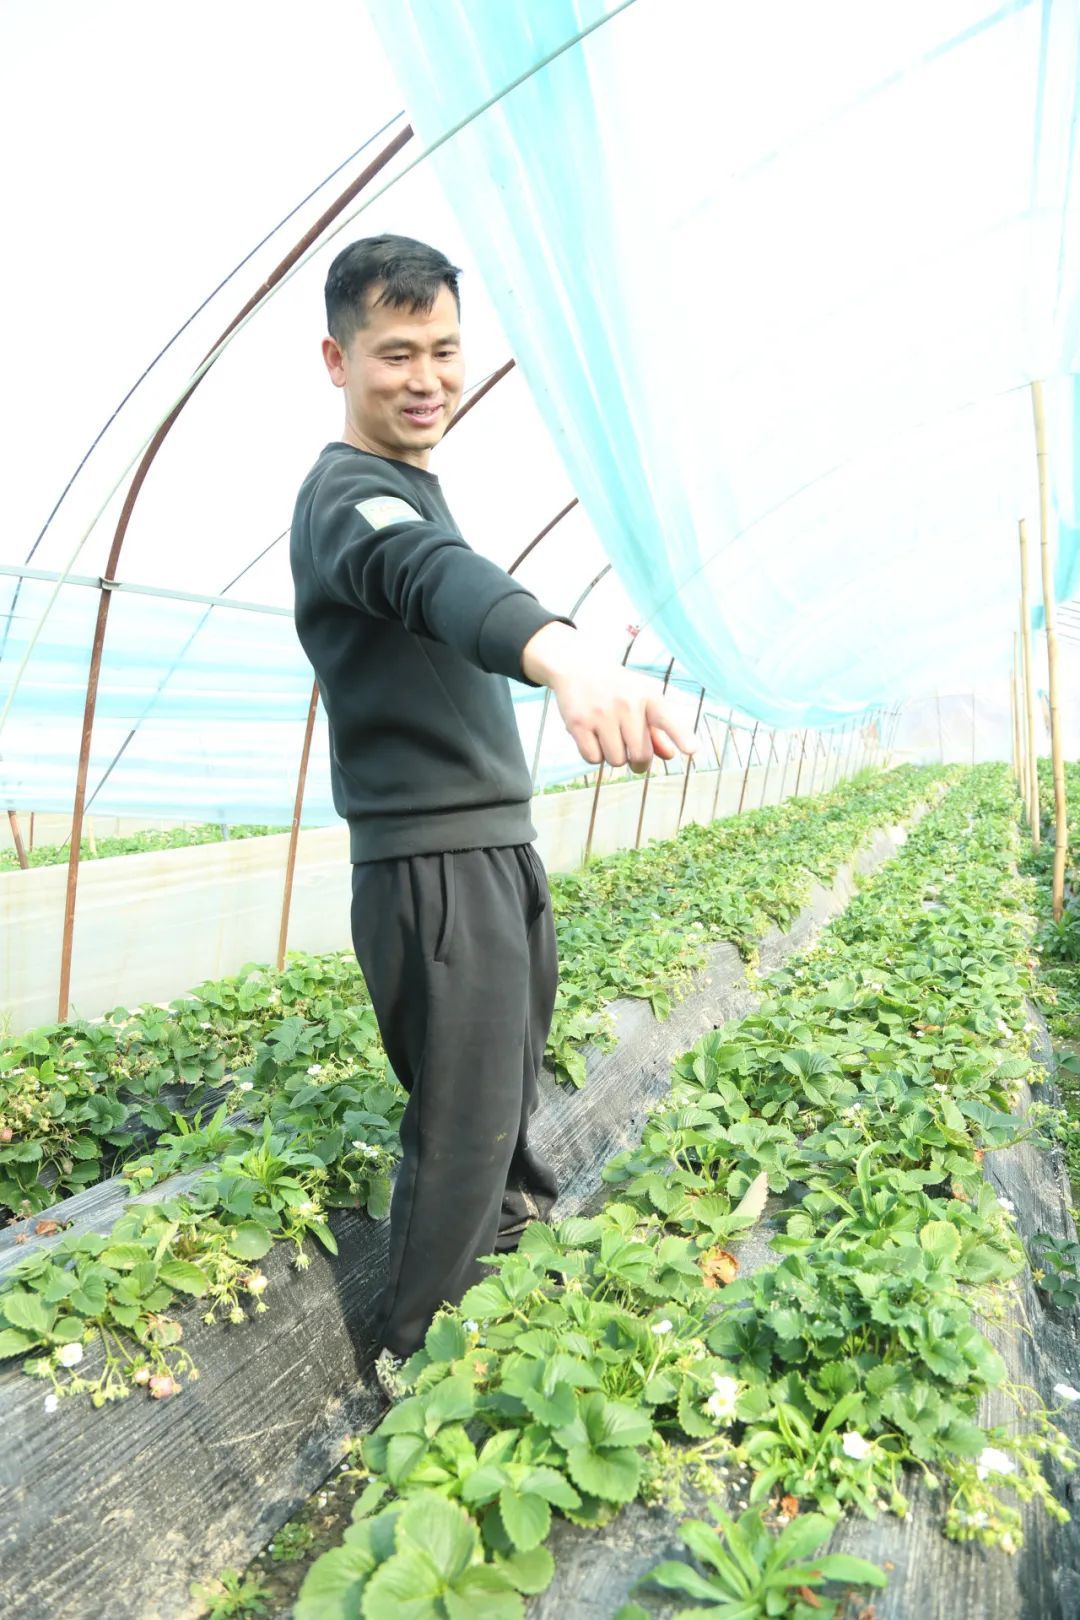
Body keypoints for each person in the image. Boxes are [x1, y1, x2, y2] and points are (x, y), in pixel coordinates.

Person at [289, 234, 695, 1395]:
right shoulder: (351, 501)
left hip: (489, 848)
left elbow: (440, 568)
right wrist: (562, 655)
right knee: (463, 1126)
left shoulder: (413, 487)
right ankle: (422, 1367)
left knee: (504, 1097)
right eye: (395, 354)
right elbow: (429, 575)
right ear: (337, 360)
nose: (427, 378)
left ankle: (511, 1278)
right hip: (434, 866)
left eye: (445, 350)